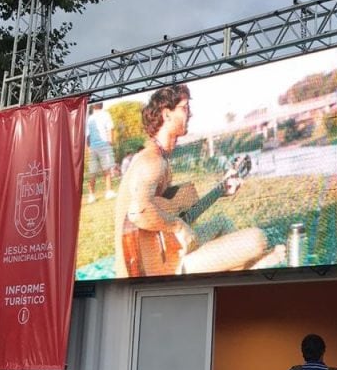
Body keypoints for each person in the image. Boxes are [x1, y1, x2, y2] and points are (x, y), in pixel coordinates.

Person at [114, 84, 285, 277]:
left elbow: (165, 211)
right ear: (166, 114)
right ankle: (255, 268)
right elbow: (139, 212)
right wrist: (177, 226)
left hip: (164, 254)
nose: (190, 114)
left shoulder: (156, 157)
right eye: (184, 108)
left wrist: (222, 190)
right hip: (153, 269)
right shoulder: (153, 161)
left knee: (222, 222)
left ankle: (245, 271)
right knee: (257, 239)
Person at [86, 101, 116, 202]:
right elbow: (110, 128)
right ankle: (108, 192)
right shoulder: (106, 114)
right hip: (104, 145)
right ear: (101, 105)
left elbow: (87, 135)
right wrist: (111, 142)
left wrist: (88, 148)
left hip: (93, 147)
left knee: (92, 172)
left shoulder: (89, 118)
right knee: (107, 169)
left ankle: (91, 195)